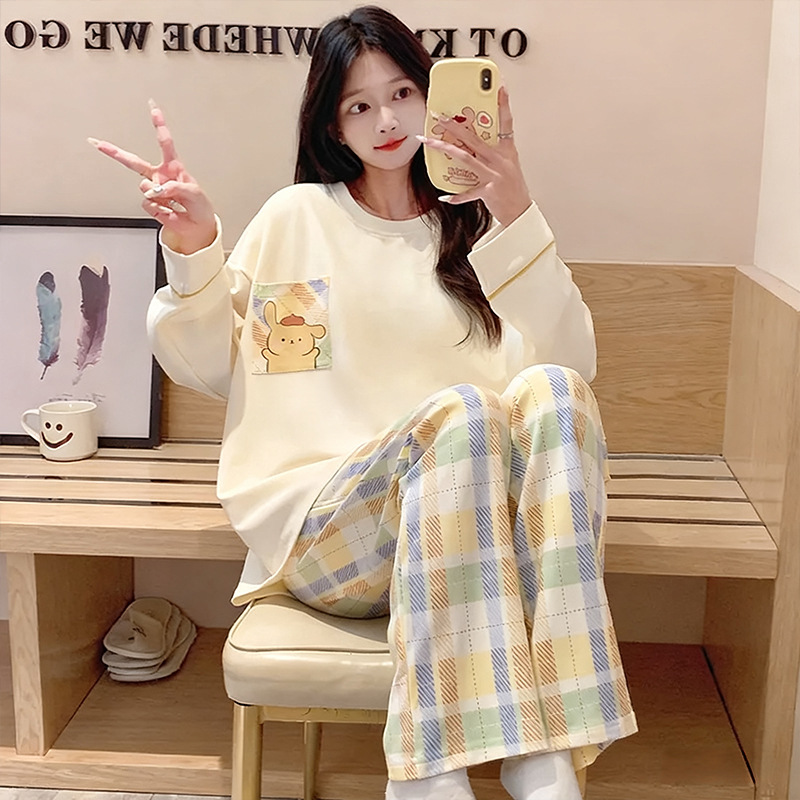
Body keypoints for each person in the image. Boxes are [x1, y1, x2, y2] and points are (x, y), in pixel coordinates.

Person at [90, 6, 636, 799]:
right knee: (464, 412)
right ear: (332, 124)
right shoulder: (301, 220)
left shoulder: (482, 233)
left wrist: (517, 210)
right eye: (359, 104)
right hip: (333, 533)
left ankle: (544, 755)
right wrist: (194, 248)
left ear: (431, 97)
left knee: (553, 392)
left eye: (403, 93)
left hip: (476, 535)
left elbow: (573, 369)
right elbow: (215, 365)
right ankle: (431, 768)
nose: (386, 120)